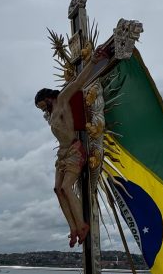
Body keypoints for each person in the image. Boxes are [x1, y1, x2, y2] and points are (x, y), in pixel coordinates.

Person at [35, 44, 112, 247]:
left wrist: (93, 61)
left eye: (42, 105)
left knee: (66, 187)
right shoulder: (51, 113)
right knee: (57, 189)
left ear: (47, 98)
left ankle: (82, 224)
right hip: (62, 153)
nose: (42, 110)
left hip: (74, 149)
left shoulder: (61, 100)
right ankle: (73, 228)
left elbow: (78, 82)